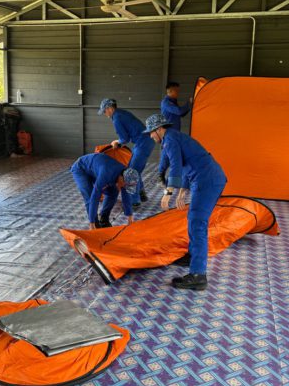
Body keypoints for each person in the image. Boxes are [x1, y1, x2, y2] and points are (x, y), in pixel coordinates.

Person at [143, 113, 227, 291]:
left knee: (197, 222)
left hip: (207, 181)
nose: (150, 136)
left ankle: (198, 275)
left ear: (159, 129)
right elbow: (188, 164)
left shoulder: (170, 139)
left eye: (151, 132)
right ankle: (193, 255)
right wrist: (182, 192)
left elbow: (175, 165)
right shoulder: (173, 137)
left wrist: (168, 192)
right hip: (206, 178)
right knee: (194, 219)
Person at [98, 98, 155, 207]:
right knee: (133, 168)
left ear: (110, 108)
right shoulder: (121, 113)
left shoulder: (117, 118)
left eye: (104, 111)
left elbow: (124, 138)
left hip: (142, 143)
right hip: (144, 141)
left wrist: (116, 142)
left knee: (131, 172)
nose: (105, 114)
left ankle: (134, 202)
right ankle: (141, 193)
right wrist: (119, 141)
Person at [71, 153, 139, 229]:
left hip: (96, 169)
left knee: (113, 192)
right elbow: (95, 197)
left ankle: (104, 218)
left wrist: (130, 215)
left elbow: (126, 194)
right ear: (121, 178)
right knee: (89, 196)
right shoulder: (107, 174)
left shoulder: (125, 174)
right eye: (125, 185)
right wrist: (92, 222)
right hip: (80, 169)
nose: (125, 187)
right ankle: (96, 222)